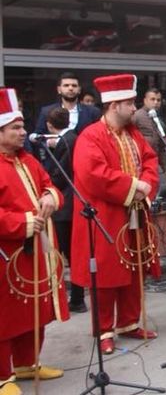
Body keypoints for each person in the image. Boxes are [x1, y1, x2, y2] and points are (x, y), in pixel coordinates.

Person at [72, 74, 161, 354]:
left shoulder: (133, 134)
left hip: (135, 212)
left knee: (134, 269)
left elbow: (150, 159)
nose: (134, 108)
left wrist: (145, 186)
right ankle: (104, 330)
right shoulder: (90, 136)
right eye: (130, 103)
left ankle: (128, 323)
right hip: (106, 217)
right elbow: (93, 174)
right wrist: (135, 186)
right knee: (107, 275)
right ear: (114, 106)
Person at [0, 88, 68, 394]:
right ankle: (3, 376)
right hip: (7, 252)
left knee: (35, 308)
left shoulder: (28, 160)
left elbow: (49, 186)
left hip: (36, 250)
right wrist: (23, 222)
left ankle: (28, 363)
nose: (23, 131)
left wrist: (51, 198)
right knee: (6, 315)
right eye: (15, 127)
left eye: (22, 125)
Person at [42, 107, 86, 313]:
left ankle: (73, 299)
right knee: (69, 253)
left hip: (64, 205)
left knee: (62, 253)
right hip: (69, 204)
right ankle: (74, 298)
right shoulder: (71, 138)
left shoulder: (68, 141)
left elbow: (60, 174)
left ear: (50, 125)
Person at [35, 72, 101, 134]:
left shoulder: (93, 112)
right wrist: (49, 142)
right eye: (66, 85)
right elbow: (38, 136)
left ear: (79, 90)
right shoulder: (47, 111)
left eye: (74, 85)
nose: (70, 88)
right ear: (59, 90)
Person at [132, 88, 166, 176]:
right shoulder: (136, 116)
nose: (156, 102)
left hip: (154, 165)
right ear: (145, 100)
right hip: (139, 165)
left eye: (158, 100)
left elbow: (161, 147)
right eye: (152, 99)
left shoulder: (159, 120)